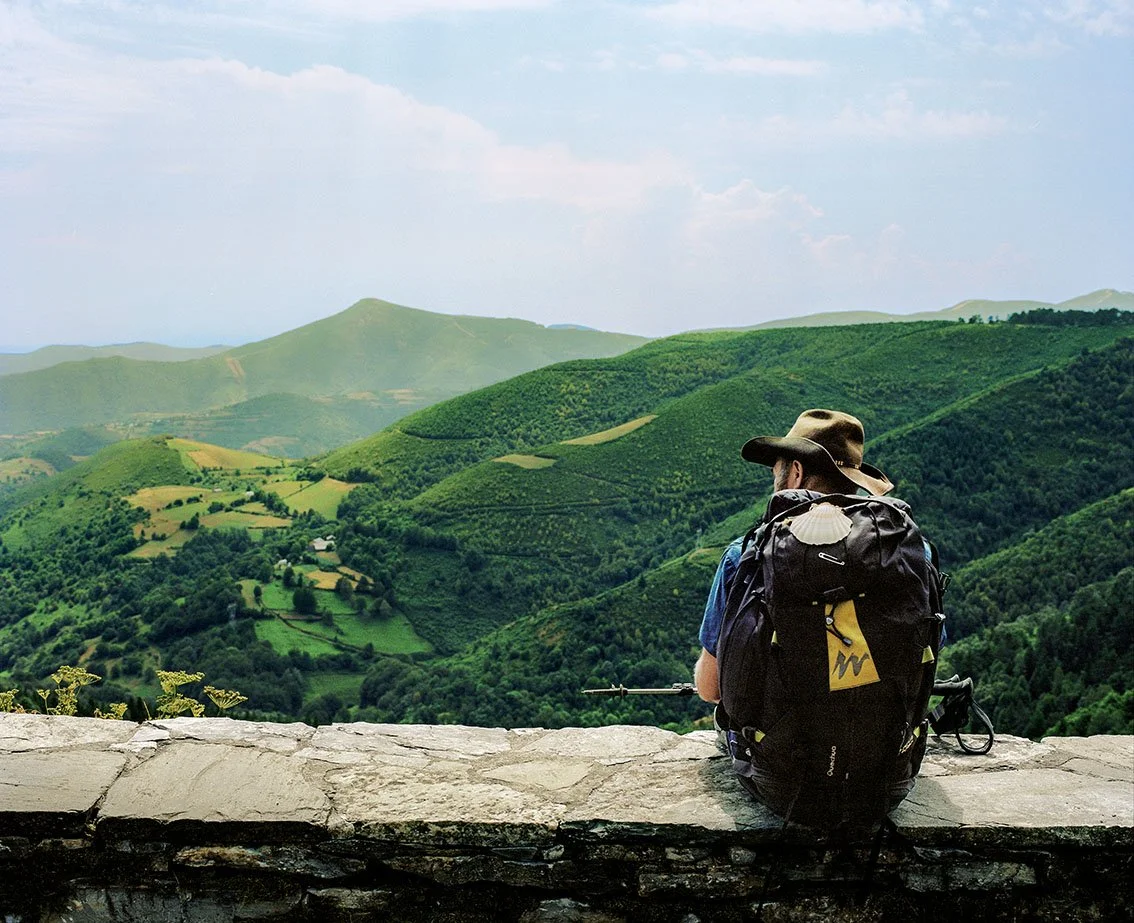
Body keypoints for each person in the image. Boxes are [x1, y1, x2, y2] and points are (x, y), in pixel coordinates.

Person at [694, 409, 894, 705]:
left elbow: (712, 688)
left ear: (796, 472)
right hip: (884, 744)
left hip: (776, 749)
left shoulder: (745, 556)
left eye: (776, 469)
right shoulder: (903, 551)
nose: (774, 477)